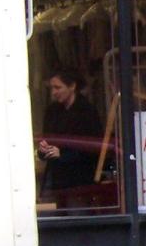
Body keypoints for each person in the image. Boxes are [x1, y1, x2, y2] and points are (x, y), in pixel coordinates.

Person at [37, 69, 105, 200]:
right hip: (55, 178)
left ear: (72, 86)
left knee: (77, 215)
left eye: (58, 87)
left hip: (79, 180)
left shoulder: (87, 112)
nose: (54, 93)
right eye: (52, 88)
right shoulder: (52, 112)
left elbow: (94, 149)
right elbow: (46, 140)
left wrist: (62, 154)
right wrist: (43, 150)